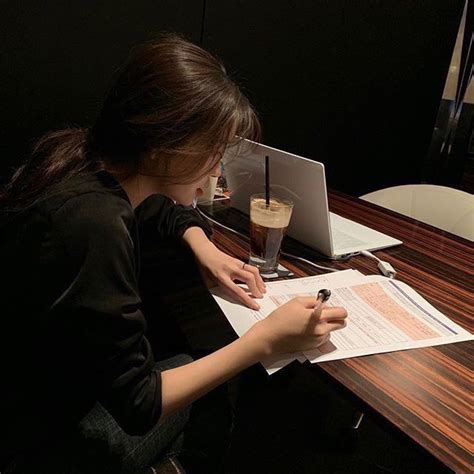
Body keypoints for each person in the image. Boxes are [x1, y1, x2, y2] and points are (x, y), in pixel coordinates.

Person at [0, 34, 347, 473]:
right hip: (31, 442)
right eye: (214, 152)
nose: (216, 170)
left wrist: (203, 246)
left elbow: (160, 208)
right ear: (168, 147)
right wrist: (264, 341)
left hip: (34, 389)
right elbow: (140, 404)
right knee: (211, 386)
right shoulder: (95, 225)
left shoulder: (82, 156)